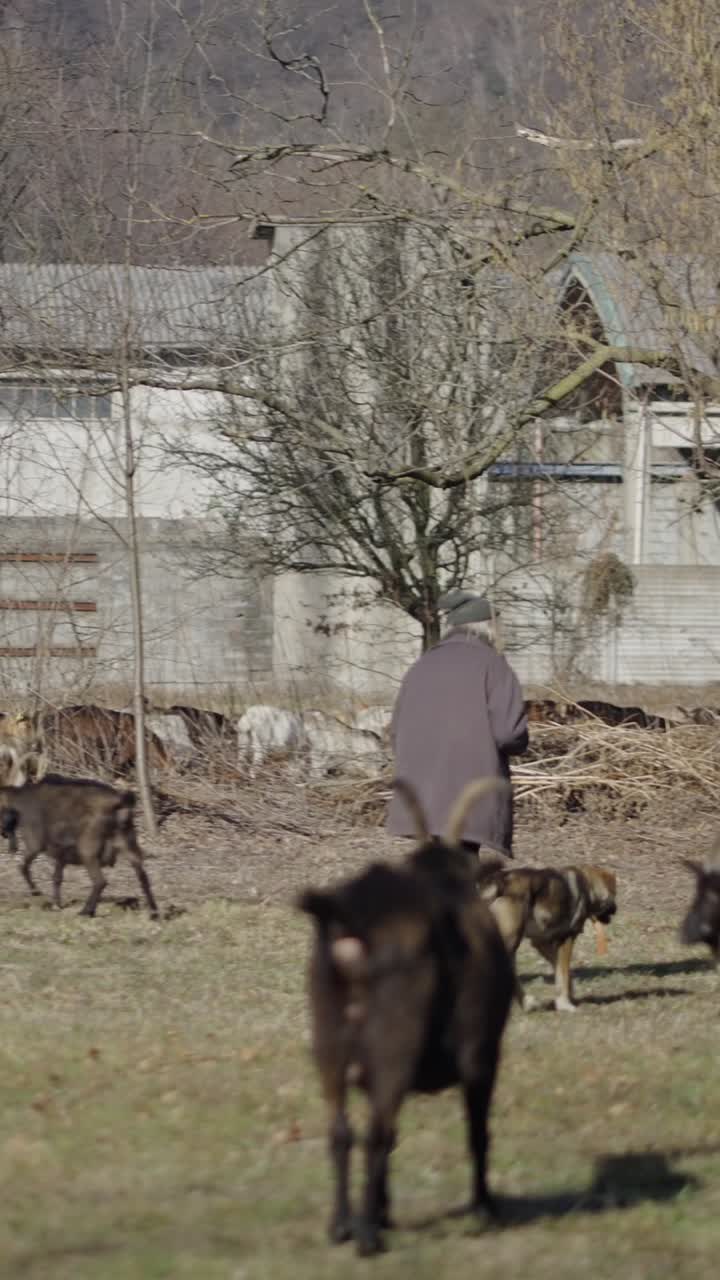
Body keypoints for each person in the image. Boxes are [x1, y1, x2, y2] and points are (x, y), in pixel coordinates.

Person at [386, 589, 528, 857]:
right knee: (462, 867)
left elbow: (396, 731)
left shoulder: (420, 667)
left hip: (421, 787)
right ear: (487, 627)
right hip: (470, 789)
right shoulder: (494, 667)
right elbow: (509, 733)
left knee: (442, 862)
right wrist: (520, 745)